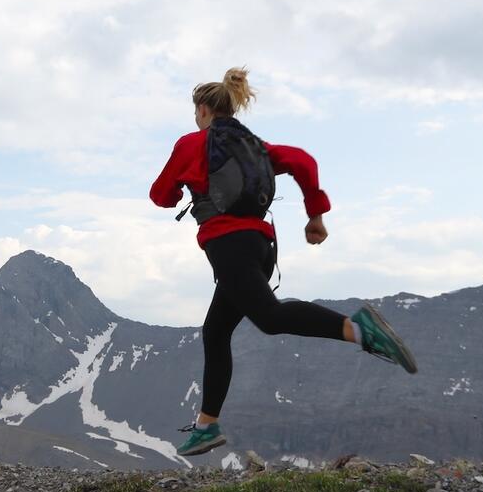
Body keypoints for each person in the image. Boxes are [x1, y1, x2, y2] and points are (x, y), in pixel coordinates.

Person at [150, 66, 418, 457]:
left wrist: (180, 190)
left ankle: (359, 330)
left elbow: (160, 194)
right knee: (216, 331)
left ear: (204, 109)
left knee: (271, 318)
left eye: (196, 112)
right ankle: (207, 426)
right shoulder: (255, 146)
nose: (195, 118)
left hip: (228, 247)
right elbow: (303, 160)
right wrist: (315, 214)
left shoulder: (192, 144)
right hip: (260, 246)